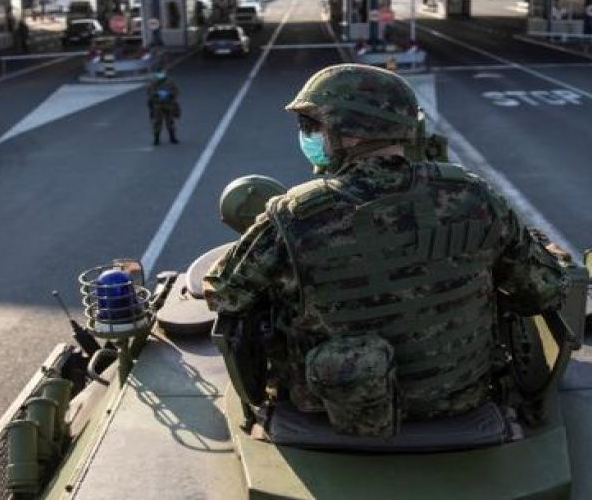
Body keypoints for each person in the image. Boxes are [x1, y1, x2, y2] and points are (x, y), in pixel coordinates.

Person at [203, 64, 568, 437]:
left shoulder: (293, 216)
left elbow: (223, 294)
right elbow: (544, 290)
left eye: (314, 126)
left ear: (345, 133)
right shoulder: (474, 197)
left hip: (325, 413)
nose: (310, 136)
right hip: (462, 405)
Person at [146, 70, 180, 145]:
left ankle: (172, 137)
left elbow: (175, 91)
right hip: (157, 105)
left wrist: (169, 95)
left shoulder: (170, 82)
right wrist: (157, 95)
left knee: (170, 121)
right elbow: (149, 93)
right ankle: (156, 139)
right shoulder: (152, 83)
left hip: (168, 104)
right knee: (157, 122)